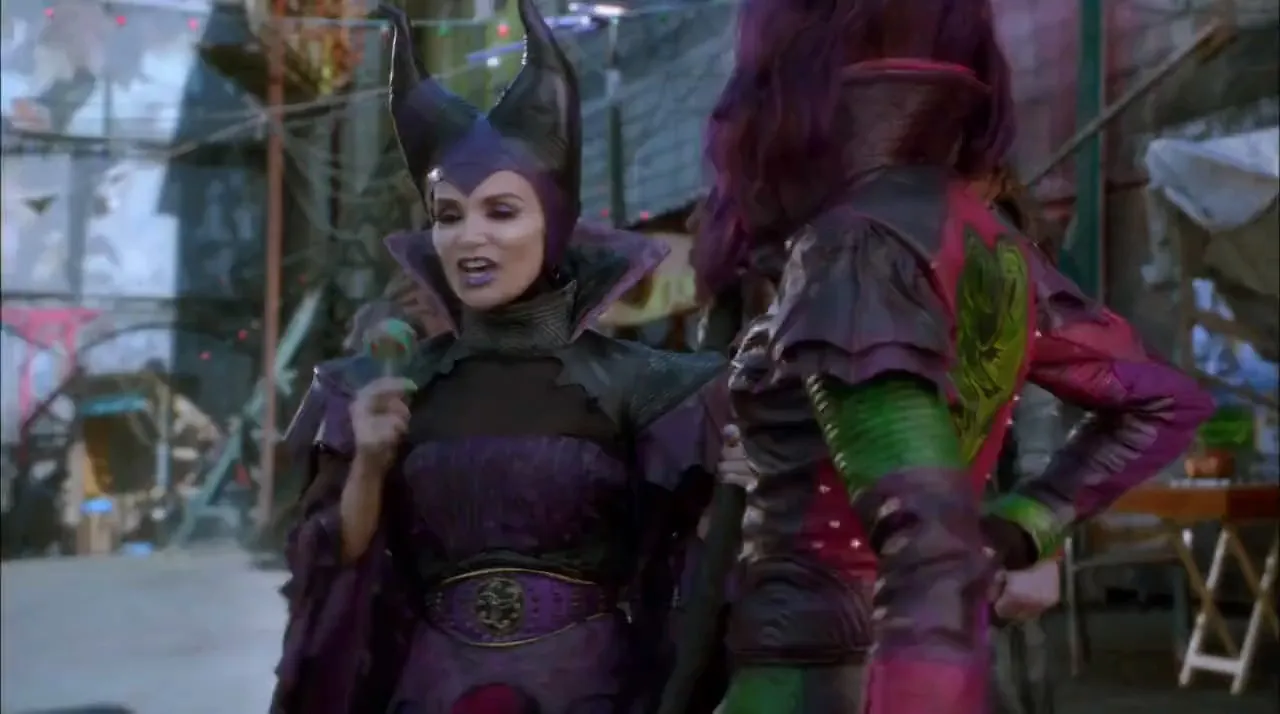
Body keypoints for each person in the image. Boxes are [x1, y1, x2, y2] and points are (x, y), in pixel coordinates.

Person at [692, 0, 1216, 712]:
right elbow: (1164, 399)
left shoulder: (853, 242)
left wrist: (1016, 532)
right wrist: (1019, 528)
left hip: (827, 670)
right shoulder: (990, 243)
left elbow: (930, 551)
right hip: (877, 647)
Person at [269, 2, 726, 712]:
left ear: (554, 222)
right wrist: (368, 464)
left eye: (501, 212)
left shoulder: (649, 389)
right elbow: (329, 573)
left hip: (591, 692)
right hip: (431, 692)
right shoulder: (375, 391)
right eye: (449, 215)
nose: (469, 238)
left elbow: (701, 574)